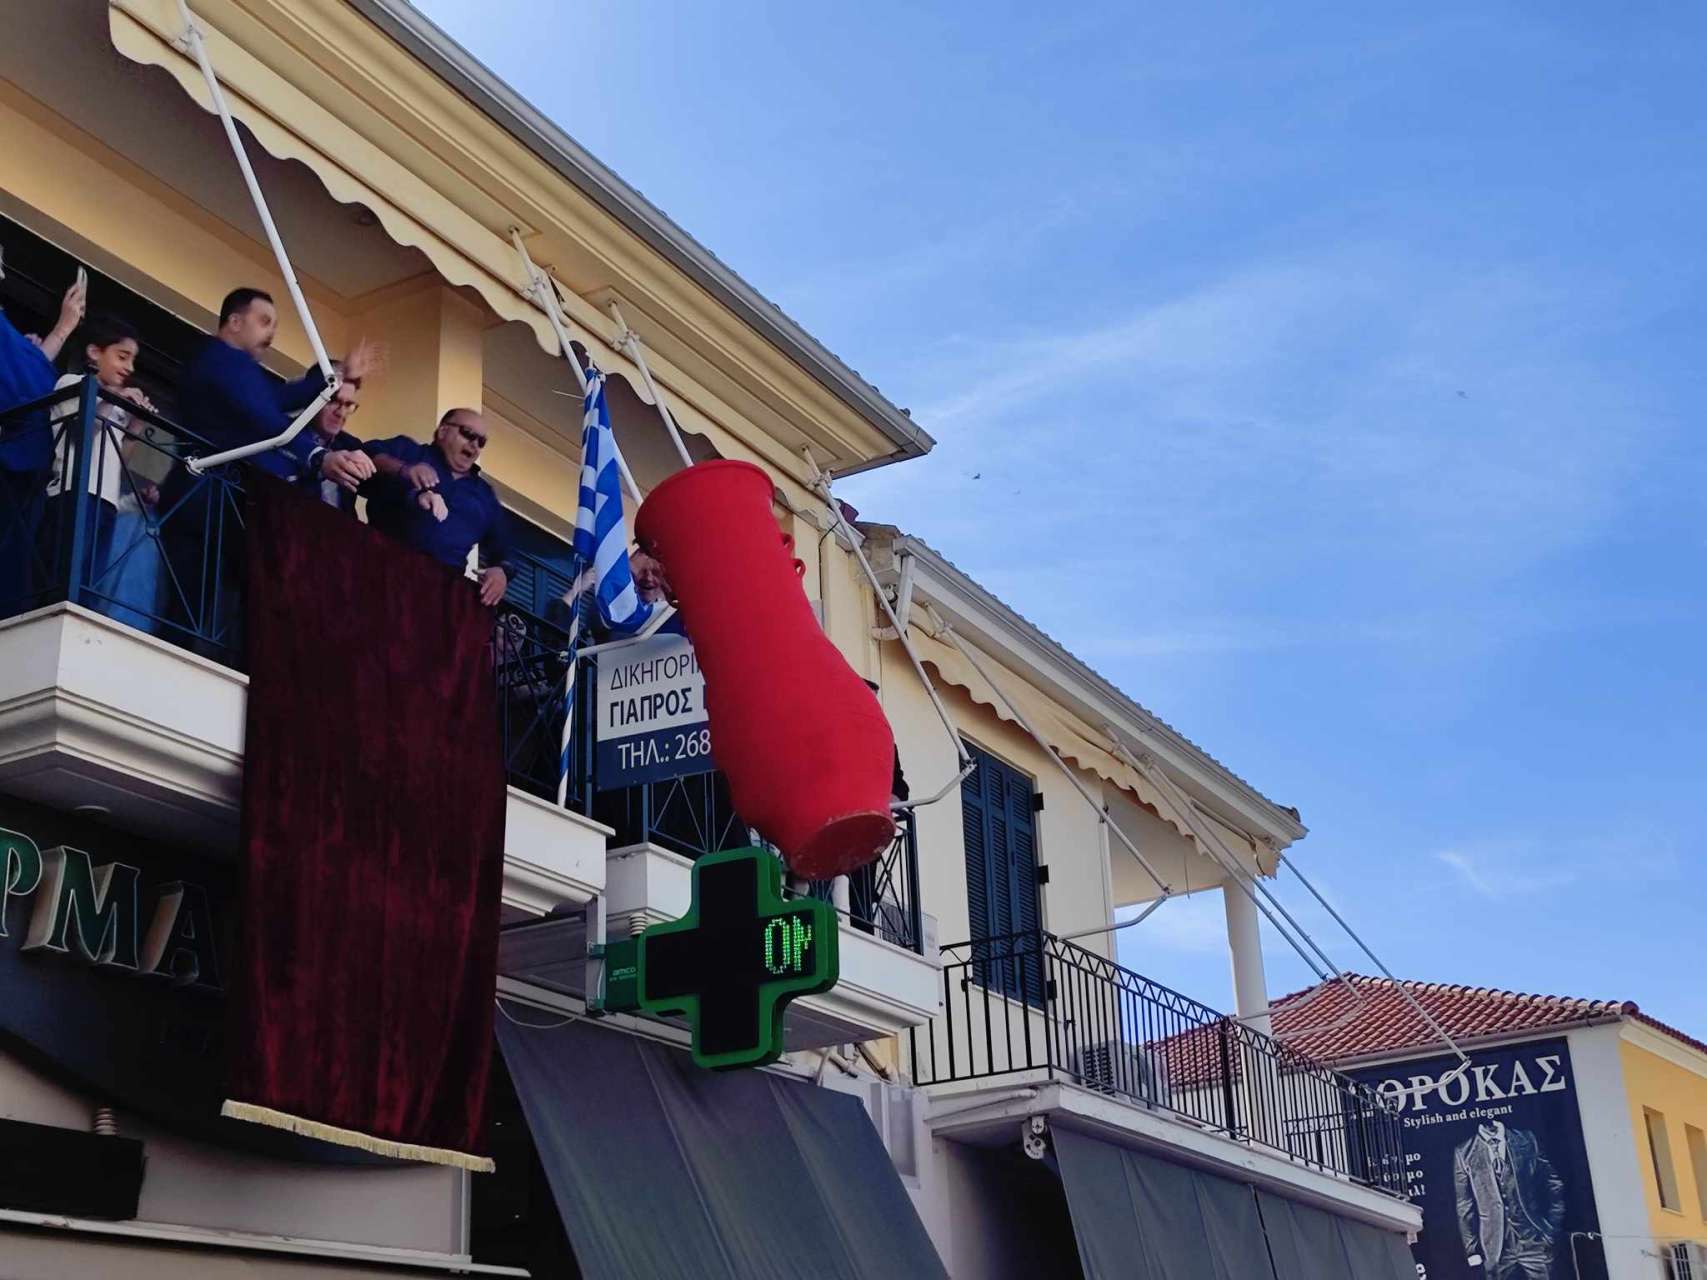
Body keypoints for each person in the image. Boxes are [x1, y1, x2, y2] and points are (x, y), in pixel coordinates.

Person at [44, 316, 162, 626]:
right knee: (66, 576)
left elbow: (118, 459)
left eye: (132, 360)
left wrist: (136, 424)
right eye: (122, 357)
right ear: (95, 352)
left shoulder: (115, 403)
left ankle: (79, 624)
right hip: (73, 493)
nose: (129, 367)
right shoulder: (71, 384)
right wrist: (114, 398)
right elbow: (83, 433)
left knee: (91, 581)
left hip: (106, 501)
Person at [362, 408, 511, 606]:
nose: (475, 445)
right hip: (381, 570)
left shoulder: (485, 495)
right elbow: (365, 455)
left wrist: (501, 571)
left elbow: (504, 547)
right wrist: (404, 469)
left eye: (481, 442)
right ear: (443, 431)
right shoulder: (410, 452)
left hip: (439, 596)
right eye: (468, 434)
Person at [0, 270, 85, 612]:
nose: (2, 273)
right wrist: (61, 330)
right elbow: (24, 385)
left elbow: (25, 377)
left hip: (22, 473)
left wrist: (54, 336)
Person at [1453, 1120, 1565, 1278]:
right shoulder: (1464, 1152)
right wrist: (1472, 1249)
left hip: (1535, 1240)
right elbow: (1464, 1205)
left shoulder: (1526, 1139)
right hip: (1495, 1249)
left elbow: (1553, 1184)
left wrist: (1552, 1228)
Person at [295, 361, 363, 513]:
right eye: (333, 400)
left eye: (348, 405)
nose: (341, 413)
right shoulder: (283, 435)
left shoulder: (351, 445)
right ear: (310, 396)